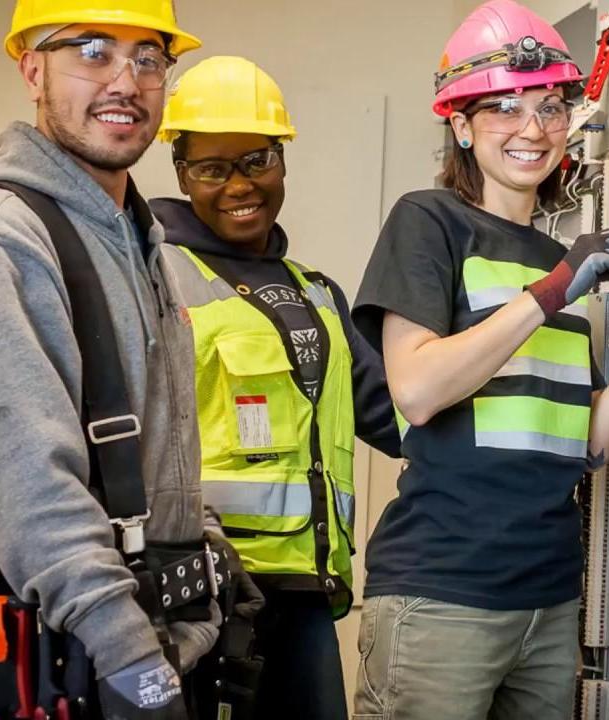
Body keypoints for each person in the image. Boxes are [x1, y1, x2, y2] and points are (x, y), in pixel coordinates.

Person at [350, 2, 609, 719]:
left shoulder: (559, 258)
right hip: (441, 592)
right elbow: (418, 389)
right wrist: (551, 292)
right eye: (505, 108)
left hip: (548, 599)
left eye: (551, 108)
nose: (533, 129)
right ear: (460, 124)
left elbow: (590, 443)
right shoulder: (429, 221)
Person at [0, 2, 225, 718]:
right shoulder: (0, 241)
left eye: (148, 58)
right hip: (86, 656)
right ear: (32, 70)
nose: (125, 80)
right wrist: (130, 660)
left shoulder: (139, 239)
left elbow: (158, 446)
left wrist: (207, 547)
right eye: (92, 50)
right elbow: (32, 487)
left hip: (165, 637)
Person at [150, 56, 401, 720]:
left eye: (256, 160)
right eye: (212, 168)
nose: (239, 184)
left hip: (306, 592)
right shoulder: (153, 277)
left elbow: (399, 415)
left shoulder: (315, 293)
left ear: (282, 160)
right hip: (202, 594)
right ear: (182, 173)